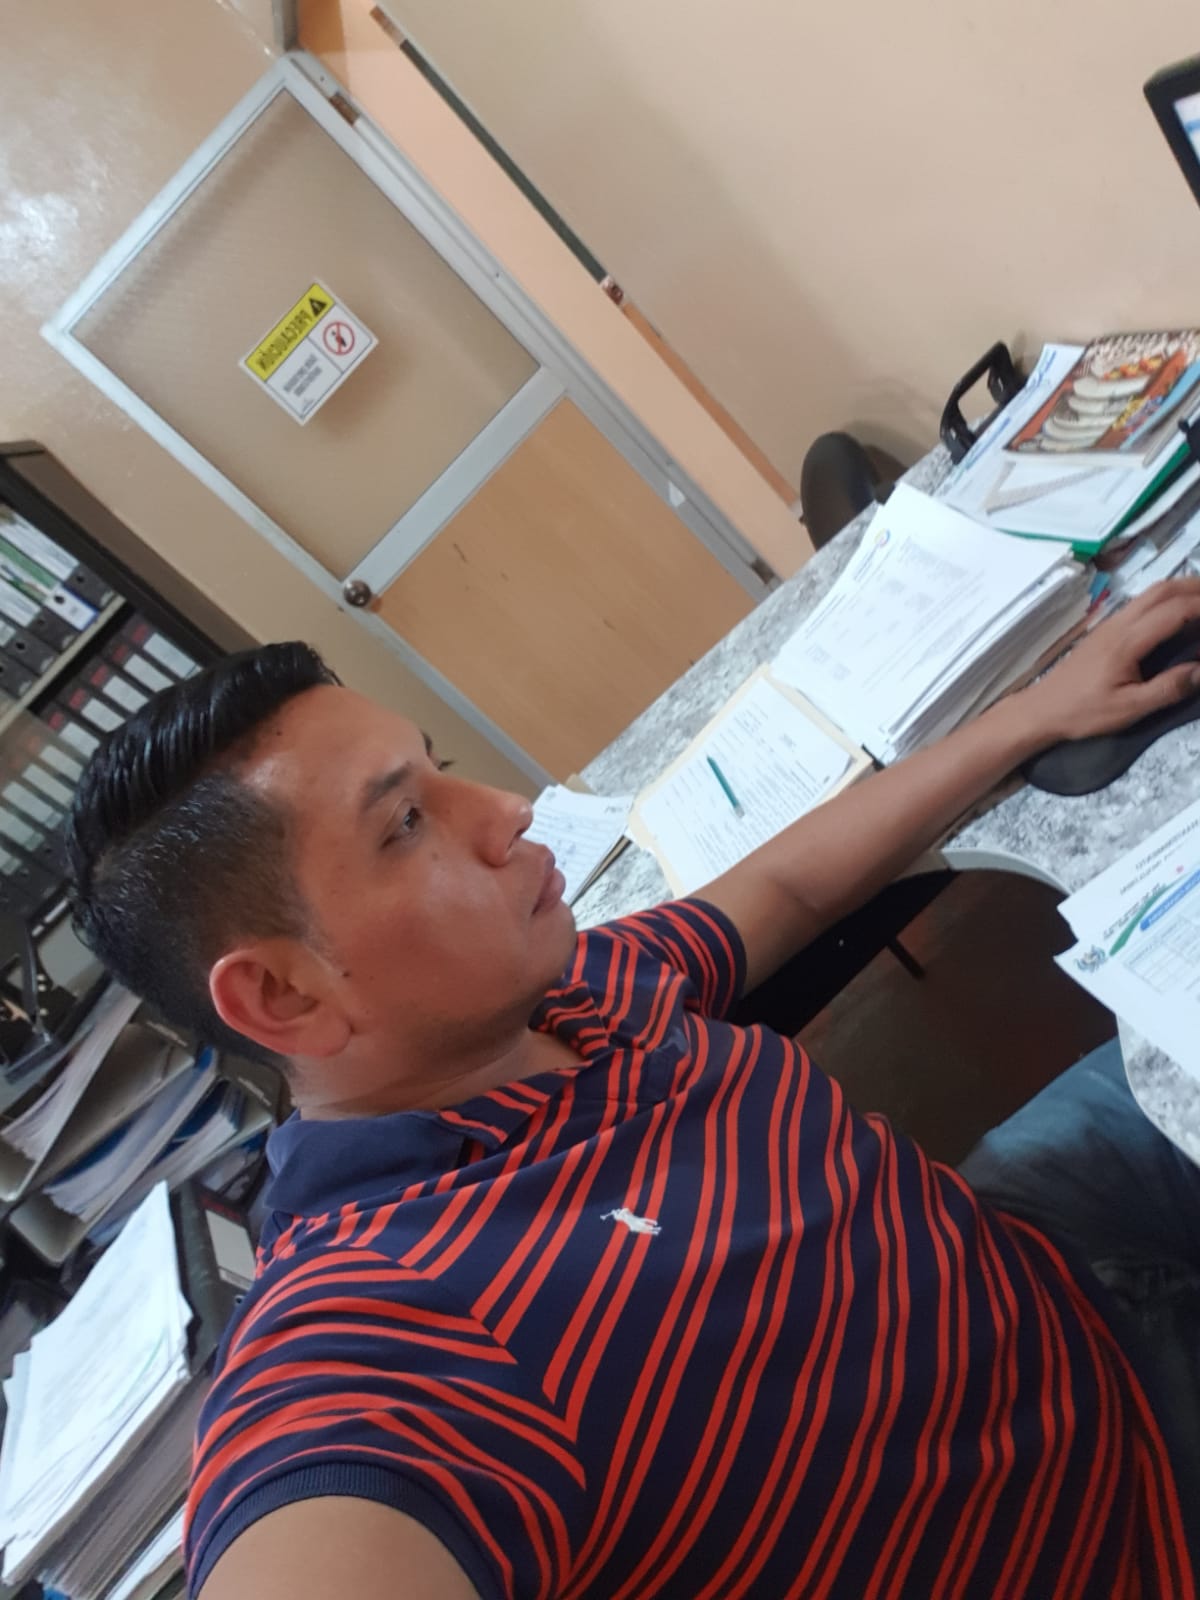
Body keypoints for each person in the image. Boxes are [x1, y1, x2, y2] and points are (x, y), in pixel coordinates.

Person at [65, 581, 1200, 1600]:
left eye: (440, 770)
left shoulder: (563, 990)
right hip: (1122, 1514)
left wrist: (1038, 710)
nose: (507, 809)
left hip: (1035, 1262)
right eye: (406, 824)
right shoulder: (391, 1320)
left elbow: (785, 887)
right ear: (283, 995)